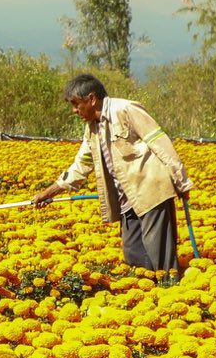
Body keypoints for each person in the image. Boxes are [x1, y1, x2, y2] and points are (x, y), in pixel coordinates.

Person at [29, 73, 191, 271]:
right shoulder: (92, 129)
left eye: (75, 104)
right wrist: (48, 192)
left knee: (159, 251)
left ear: (91, 99)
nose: (74, 110)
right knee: (133, 252)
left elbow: (159, 141)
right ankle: (155, 287)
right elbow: (81, 165)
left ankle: (169, 286)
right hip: (127, 198)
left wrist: (180, 181)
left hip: (150, 190)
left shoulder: (125, 109)